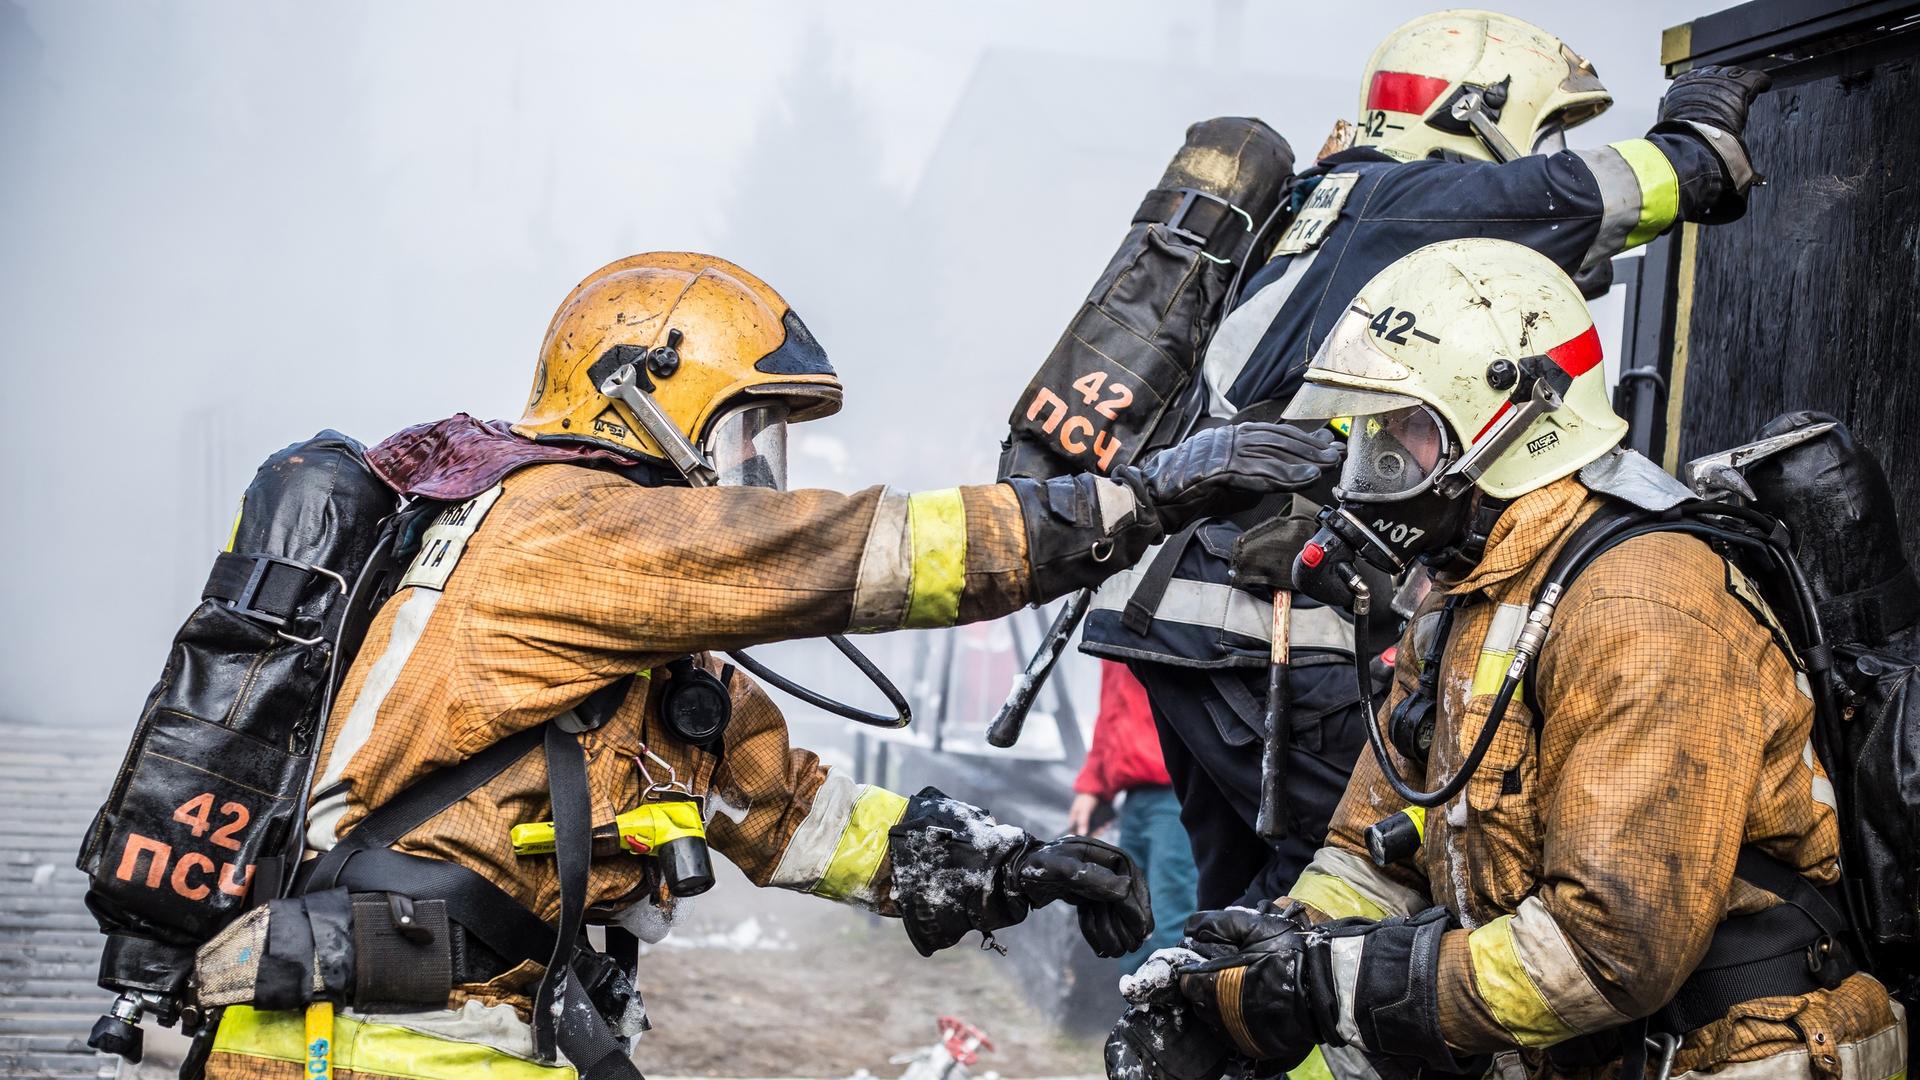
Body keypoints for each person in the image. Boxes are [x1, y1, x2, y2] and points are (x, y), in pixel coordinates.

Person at [197, 251, 1344, 1080]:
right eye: (746, 429)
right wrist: (1135, 501)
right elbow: (861, 553)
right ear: (644, 396)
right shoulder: (572, 524)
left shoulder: (626, 619)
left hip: (451, 1030)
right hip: (369, 1046)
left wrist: (1013, 868)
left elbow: (779, 809)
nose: (755, 467)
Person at [1114, 238, 1905, 1080]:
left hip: (1743, 1056)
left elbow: (1608, 952)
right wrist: (1251, 982)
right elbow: (1372, 852)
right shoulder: (1470, 596)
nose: (1370, 463)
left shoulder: (1642, 606)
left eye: (1405, 428)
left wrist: (1326, 989)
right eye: (1368, 429)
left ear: (1515, 423)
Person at [1080, 8, 1775, 912]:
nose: (1547, 153)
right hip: (1263, 627)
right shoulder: (1420, 199)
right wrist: (1702, 110)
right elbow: (1682, 177)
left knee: (1244, 899)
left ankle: (1207, 1031)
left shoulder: (1314, 206)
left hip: (1177, 615)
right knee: (1368, 881)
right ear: (1476, 110)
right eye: (1545, 127)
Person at [1068, 660, 1200, 968]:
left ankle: (1170, 1012)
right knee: (1130, 913)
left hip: (1178, 789)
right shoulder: (1113, 616)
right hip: (1136, 795)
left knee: (1171, 919)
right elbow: (1112, 705)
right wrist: (1093, 784)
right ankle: (1135, 1009)